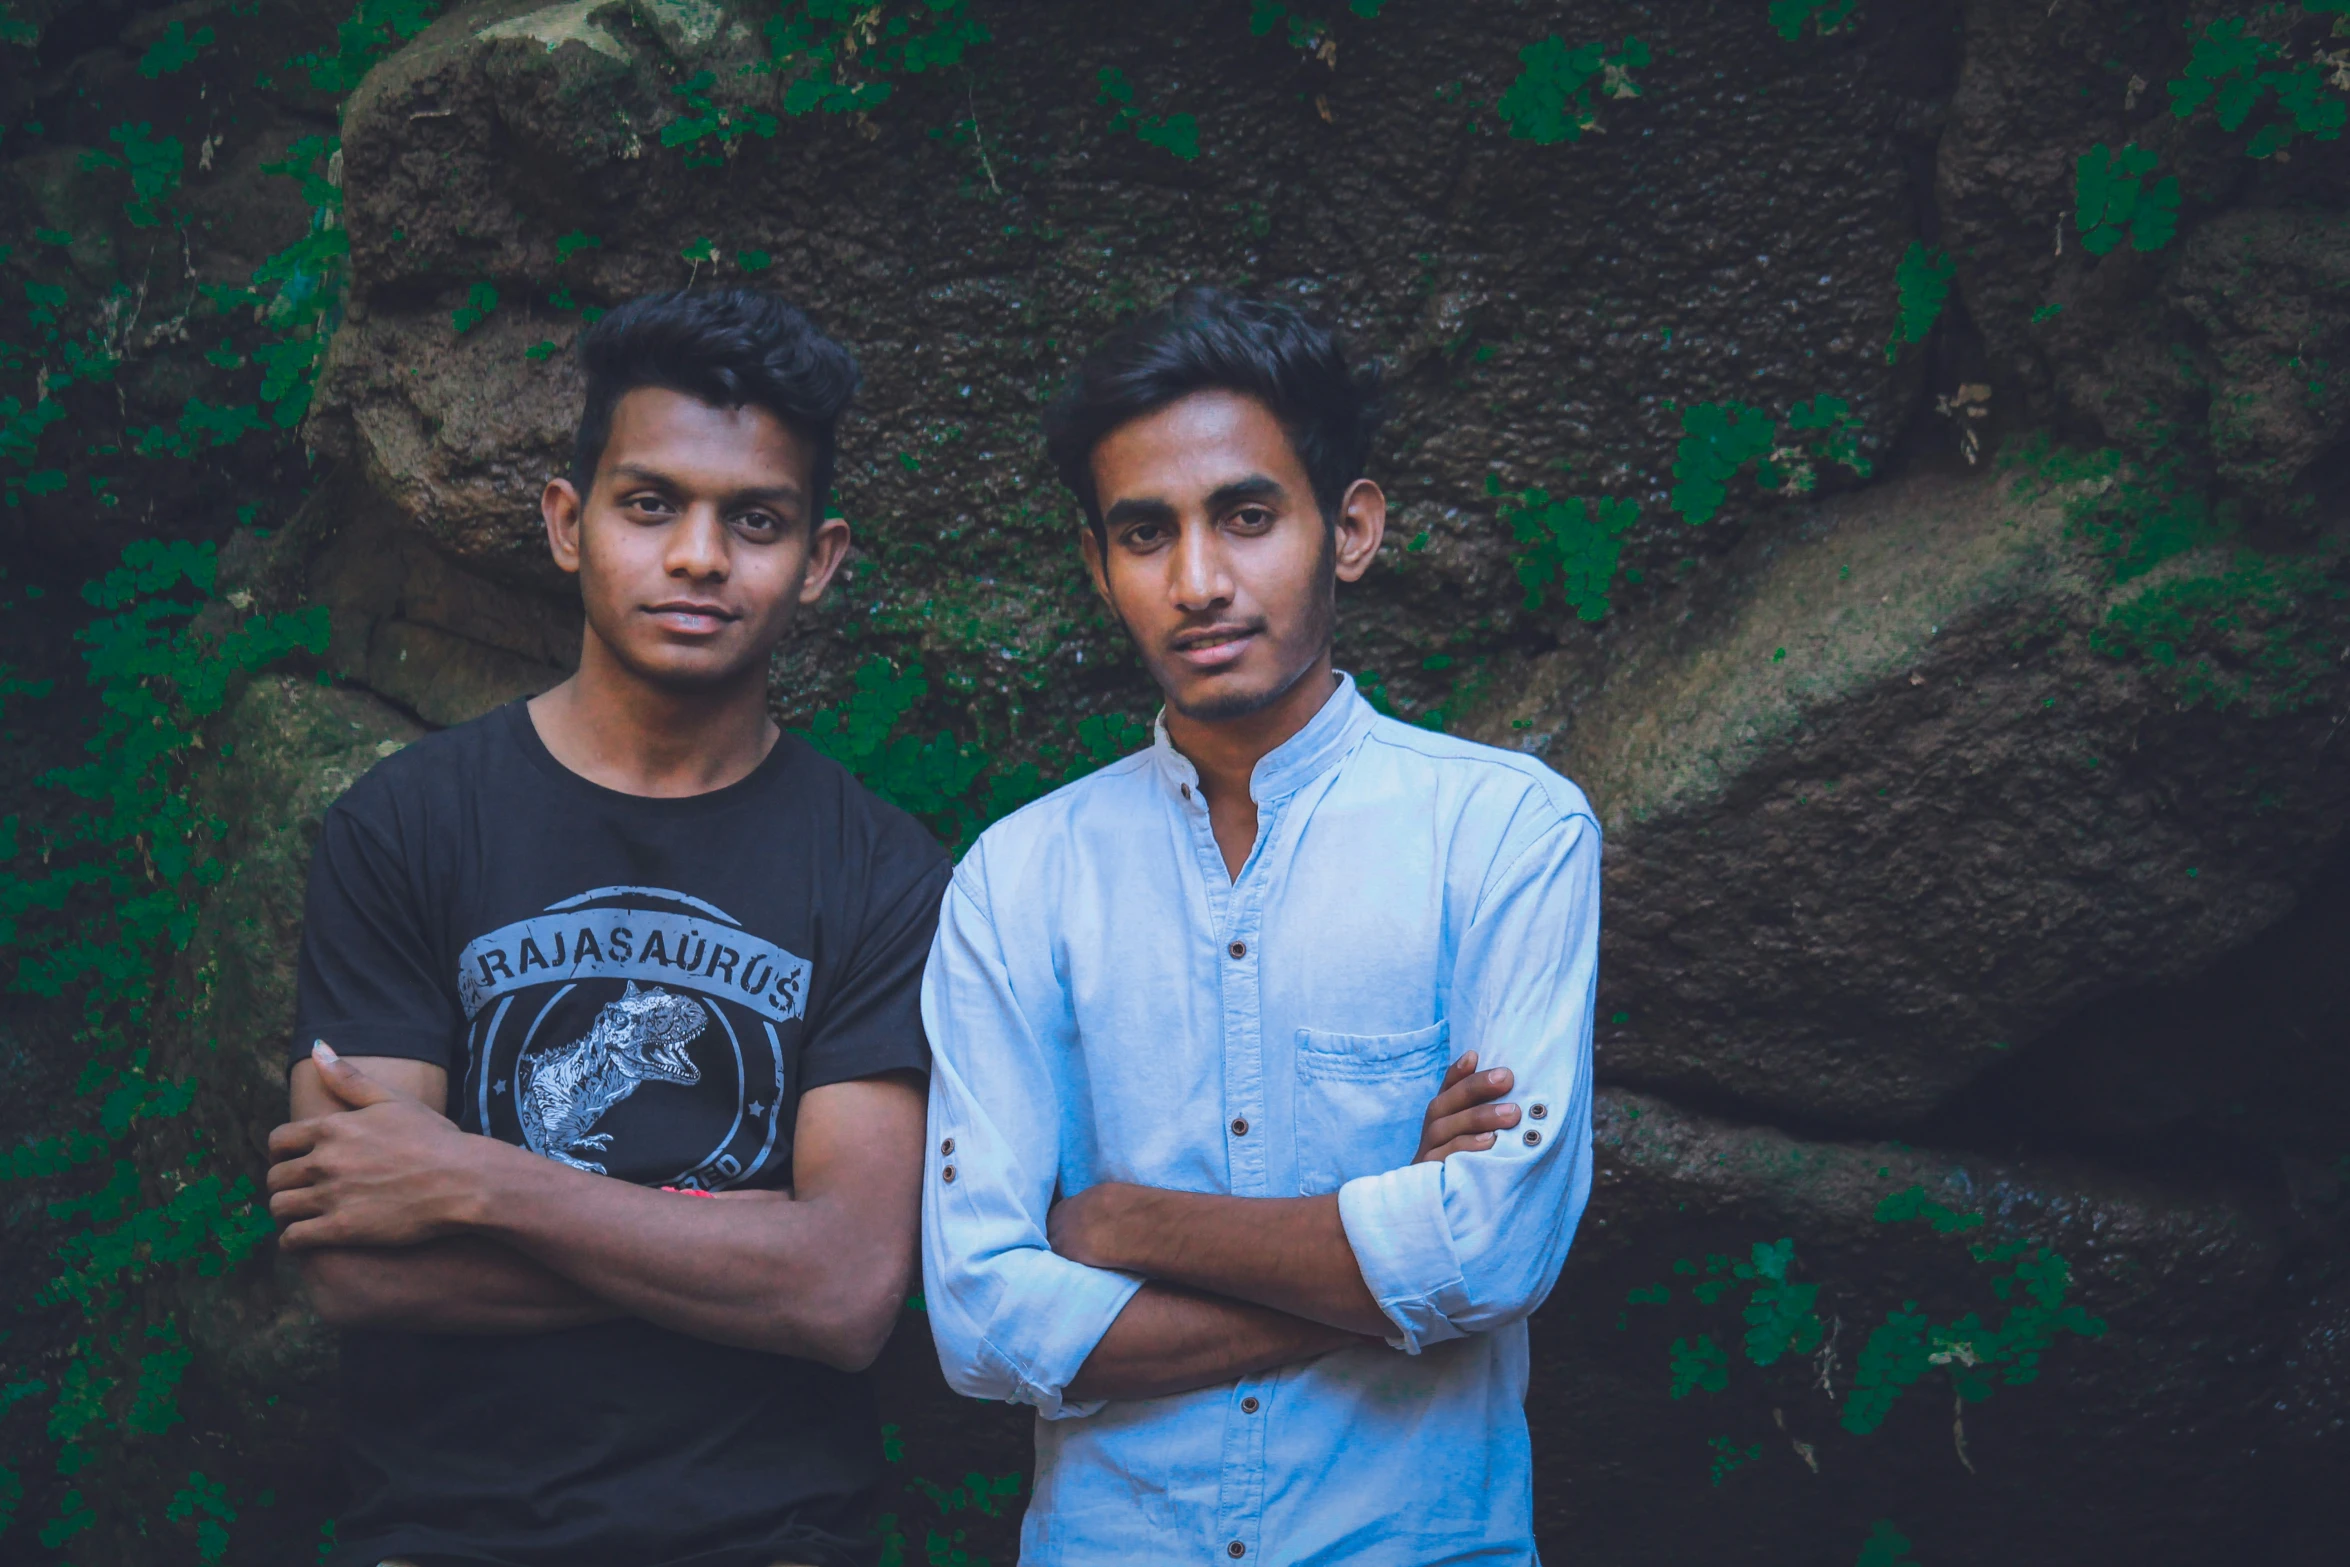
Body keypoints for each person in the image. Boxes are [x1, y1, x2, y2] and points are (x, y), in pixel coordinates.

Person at [919, 287, 1602, 1565]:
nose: (1196, 581)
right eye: (1143, 533)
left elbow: (1496, 1245)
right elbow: (981, 1318)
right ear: (1096, 566)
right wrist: (1382, 1257)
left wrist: (1125, 1222)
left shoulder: (1505, 834)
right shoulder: (1016, 879)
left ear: (1349, 528)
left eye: (1245, 516)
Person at [265, 289, 947, 1567]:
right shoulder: (405, 827)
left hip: (774, 1536)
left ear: (822, 558)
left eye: (755, 520)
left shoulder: (883, 873)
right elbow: (360, 1265)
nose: (699, 555)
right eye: (651, 505)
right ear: (568, 524)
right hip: (445, 1531)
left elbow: (846, 1290)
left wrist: (478, 1179)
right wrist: (731, 1252)